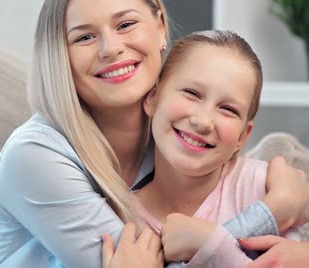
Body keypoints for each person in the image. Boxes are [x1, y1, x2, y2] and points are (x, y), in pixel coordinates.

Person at [0, 0, 309, 268]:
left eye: (126, 24)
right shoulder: (35, 157)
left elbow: (227, 195)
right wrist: (270, 213)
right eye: (85, 37)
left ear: (160, 27)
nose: (110, 48)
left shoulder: (174, 134)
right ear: (59, 57)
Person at [102, 30, 302, 267]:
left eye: (228, 109)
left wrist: (212, 243)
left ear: (242, 136)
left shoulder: (263, 186)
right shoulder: (115, 218)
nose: (203, 121)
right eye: (192, 93)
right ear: (153, 98)